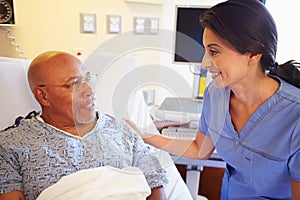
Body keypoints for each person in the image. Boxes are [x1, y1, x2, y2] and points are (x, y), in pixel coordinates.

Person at [126, 0, 300, 199]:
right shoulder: (216, 95)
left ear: (253, 53)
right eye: (206, 51)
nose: (204, 63)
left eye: (214, 51)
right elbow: (200, 150)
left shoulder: (295, 118)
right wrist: (144, 135)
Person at [0, 51, 168, 200]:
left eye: (87, 79)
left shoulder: (123, 130)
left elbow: (155, 183)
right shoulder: (11, 145)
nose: (89, 91)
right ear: (43, 96)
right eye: (74, 84)